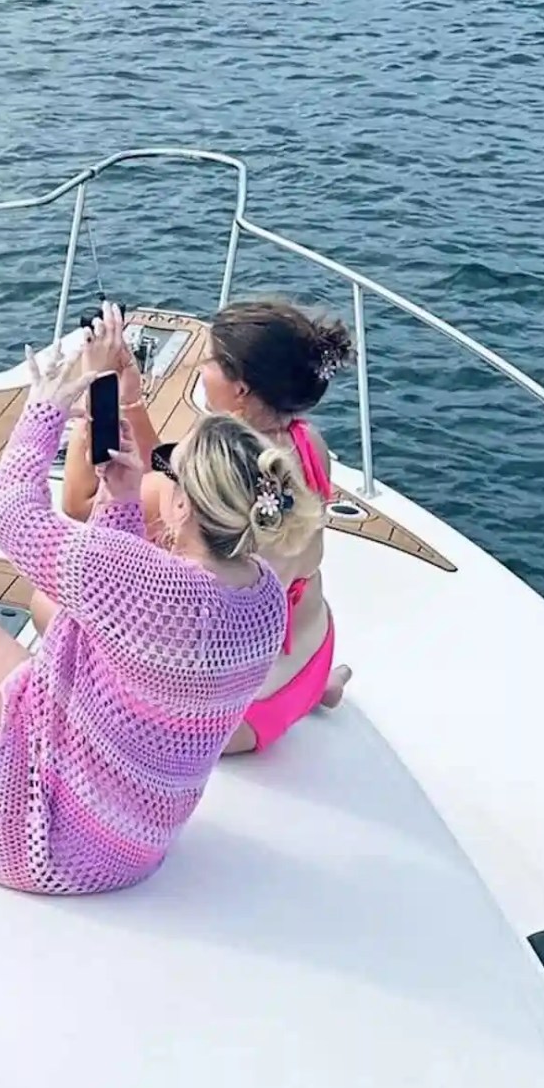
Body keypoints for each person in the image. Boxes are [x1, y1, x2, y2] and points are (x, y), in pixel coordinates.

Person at [0, 306, 304, 896]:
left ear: (181, 507)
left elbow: (11, 516)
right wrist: (121, 499)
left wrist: (45, 404)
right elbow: (126, 620)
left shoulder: (153, 583)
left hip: (52, 835)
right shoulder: (263, 595)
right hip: (123, 814)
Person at [199, 300, 355, 752]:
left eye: (210, 361)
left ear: (241, 389)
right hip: (313, 652)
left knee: (50, 606)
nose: (200, 366)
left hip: (243, 712)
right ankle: (316, 691)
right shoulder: (309, 442)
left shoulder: (231, 468)